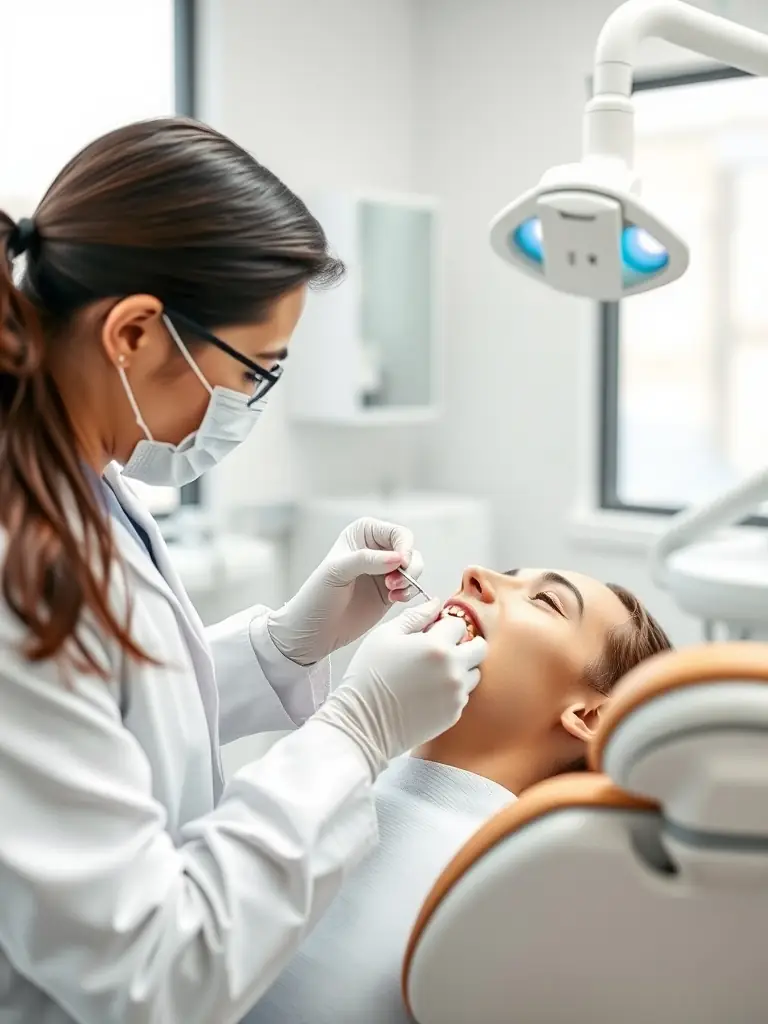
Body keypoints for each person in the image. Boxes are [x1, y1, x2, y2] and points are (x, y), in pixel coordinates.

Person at [0, 117, 487, 1024]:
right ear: (136, 333)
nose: (248, 403)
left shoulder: (83, 478)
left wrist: (281, 647)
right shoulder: (18, 563)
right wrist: (354, 733)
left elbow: (109, 705)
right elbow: (150, 971)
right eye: (252, 370)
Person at [248, 564, 672, 1024]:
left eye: (546, 601)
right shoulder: (332, 775)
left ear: (590, 718)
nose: (475, 574)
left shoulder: (516, 898)